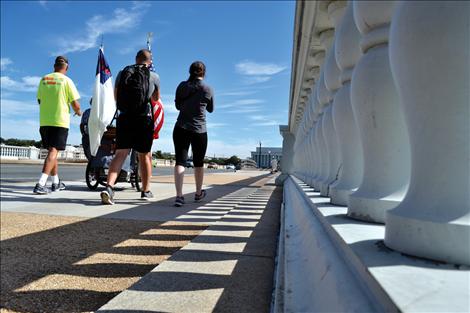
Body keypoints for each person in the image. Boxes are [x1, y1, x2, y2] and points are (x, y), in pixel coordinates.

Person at [100, 49, 160, 205]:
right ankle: (146, 191)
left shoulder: (123, 72)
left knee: (120, 154)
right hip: (143, 119)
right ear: (150, 61)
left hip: (125, 117)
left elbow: (116, 95)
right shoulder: (154, 76)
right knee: (144, 155)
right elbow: (155, 98)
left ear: (136, 58)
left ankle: (109, 187)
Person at [34, 56, 81, 194]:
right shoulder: (67, 81)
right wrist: (78, 112)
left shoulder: (44, 79)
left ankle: (56, 183)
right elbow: (75, 103)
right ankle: (41, 184)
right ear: (66, 67)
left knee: (51, 151)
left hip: (44, 121)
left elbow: (39, 100)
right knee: (54, 152)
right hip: (59, 121)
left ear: (54, 66)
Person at [173, 61, 214, 207]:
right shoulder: (208, 88)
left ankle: (179, 196)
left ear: (189, 71)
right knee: (198, 163)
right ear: (204, 72)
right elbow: (211, 109)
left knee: (180, 161)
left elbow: (178, 106)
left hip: (181, 127)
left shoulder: (182, 86)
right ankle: (198, 193)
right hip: (199, 130)